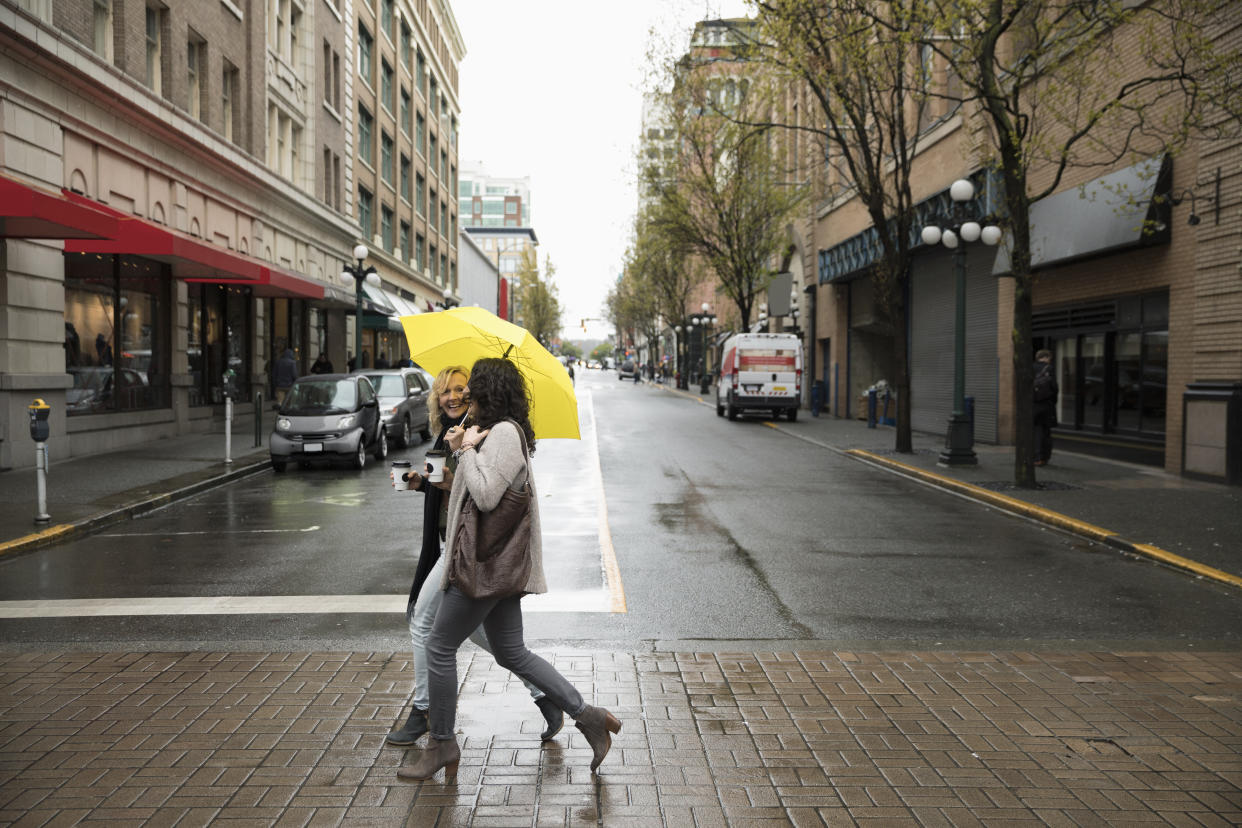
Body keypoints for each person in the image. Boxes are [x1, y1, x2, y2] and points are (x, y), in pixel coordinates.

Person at [399, 358, 622, 780]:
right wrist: (462, 449)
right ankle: (590, 717)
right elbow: (477, 488)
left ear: (489, 393)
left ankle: (441, 743)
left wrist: (465, 448)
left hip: (484, 567)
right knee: (510, 651)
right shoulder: (493, 433)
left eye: (472, 392)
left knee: (439, 646)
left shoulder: (502, 434)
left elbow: (484, 497)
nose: (466, 398)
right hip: (494, 566)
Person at [387, 366, 560, 749]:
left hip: (467, 551)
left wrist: (463, 450)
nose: (454, 397)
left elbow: (482, 494)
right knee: (494, 643)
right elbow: (449, 493)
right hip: (454, 543)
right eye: (445, 391)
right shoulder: (449, 435)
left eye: (462, 390)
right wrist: (421, 484)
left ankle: (423, 712)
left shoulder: (484, 432)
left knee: (423, 623)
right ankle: (549, 697)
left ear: (478, 393)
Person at [1033, 349, 1058, 466]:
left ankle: (1035, 456)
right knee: (1045, 431)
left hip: (1033, 405)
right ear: (1047, 357)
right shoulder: (1049, 369)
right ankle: (1044, 457)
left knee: (1035, 430)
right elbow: (1054, 388)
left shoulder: (1030, 368)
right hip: (1046, 405)